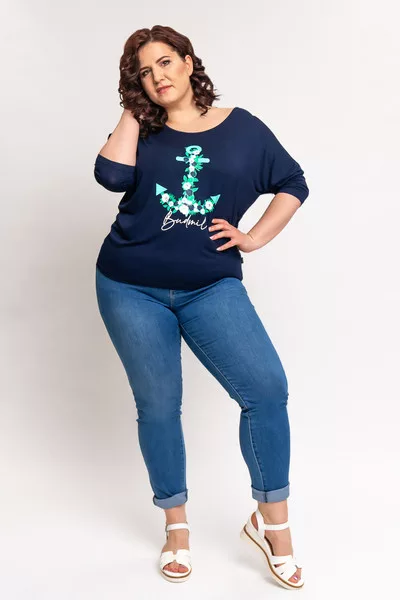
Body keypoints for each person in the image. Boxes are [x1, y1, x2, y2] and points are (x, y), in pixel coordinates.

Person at [93, 24, 309, 589]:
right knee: (159, 406)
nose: (158, 76)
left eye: (166, 62)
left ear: (189, 62)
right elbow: (110, 175)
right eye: (144, 71)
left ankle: (272, 525)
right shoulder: (143, 128)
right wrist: (134, 108)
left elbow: (292, 182)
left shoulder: (242, 128)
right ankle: (176, 527)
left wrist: (254, 237)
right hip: (129, 286)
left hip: (210, 286)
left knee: (265, 391)